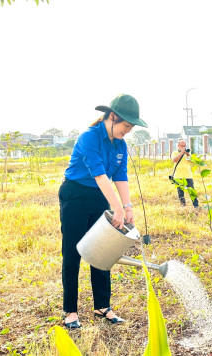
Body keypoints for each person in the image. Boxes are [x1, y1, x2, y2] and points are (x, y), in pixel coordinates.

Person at [59, 94, 147, 329]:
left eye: (131, 127)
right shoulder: (90, 137)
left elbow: (120, 176)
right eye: (126, 125)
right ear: (112, 117)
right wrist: (116, 207)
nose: (127, 130)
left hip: (99, 195)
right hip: (75, 194)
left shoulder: (120, 144)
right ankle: (70, 311)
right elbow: (98, 173)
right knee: (73, 251)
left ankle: (102, 307)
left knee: (102, 250)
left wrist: (127, 208)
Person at [171, 140, 199, 208]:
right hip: (178, 176)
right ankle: (183, 207)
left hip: (188, 176)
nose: (183, 147)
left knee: (192, 191)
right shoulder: (175, 153)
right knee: (180, 193)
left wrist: (187, 154)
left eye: (184, 146)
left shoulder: (188, 154)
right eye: (182, 146)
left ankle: (196, 206)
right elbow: (174, 160)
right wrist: (181, 153)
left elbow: (192, 160)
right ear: (178, 146)